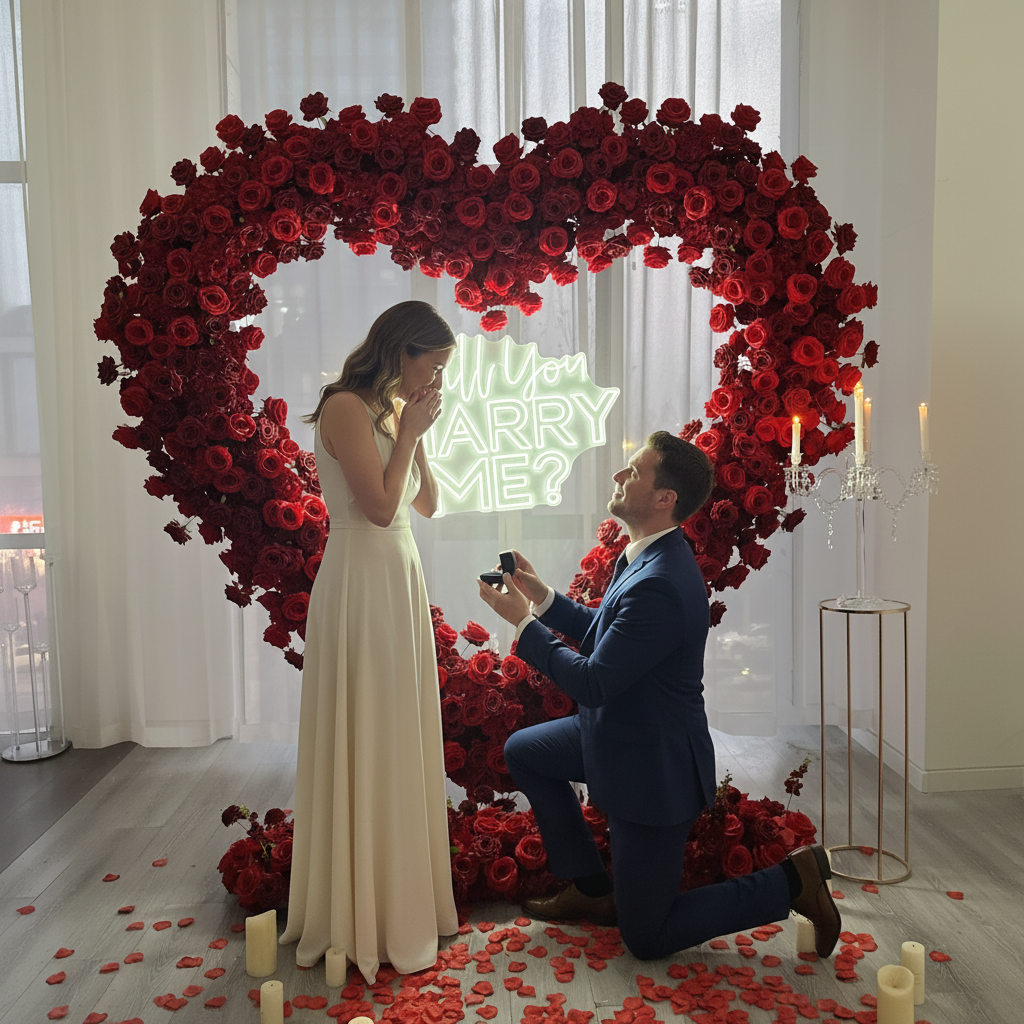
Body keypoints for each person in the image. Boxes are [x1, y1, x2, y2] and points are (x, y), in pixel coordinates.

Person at [477, 431, 841, 961]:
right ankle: (591, 888)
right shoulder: (647, 557)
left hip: (653, 768)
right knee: (526, 751)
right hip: (619, 733)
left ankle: (792, 882)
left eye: (633, 471)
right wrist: (542, 597)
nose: (619, 476)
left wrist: (525, 625)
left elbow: (594, 682)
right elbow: (606, 632)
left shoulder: (662, 581)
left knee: (646, 937)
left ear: (664, 498)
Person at [280, 300, 459, 979]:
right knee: (367, 727)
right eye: (432, 365)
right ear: (401, 350)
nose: (435, 380)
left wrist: (415, 431)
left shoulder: (388, 412)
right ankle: (357, 910)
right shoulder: (345, 408)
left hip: (398, 578)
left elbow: (427, 504)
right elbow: (380, 510)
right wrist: (407, 432)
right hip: (360, 576)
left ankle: (399, 898)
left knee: (399, 730)